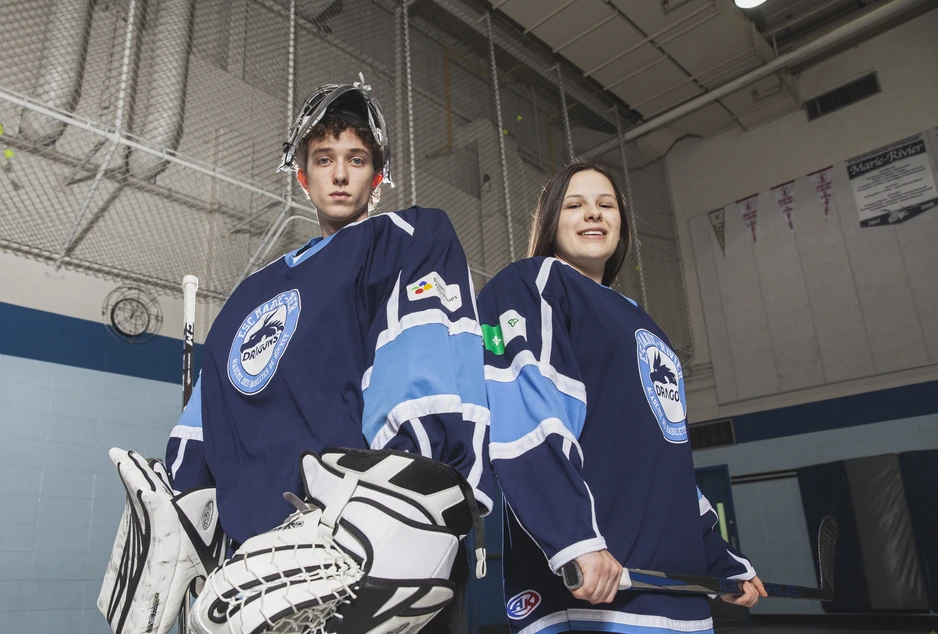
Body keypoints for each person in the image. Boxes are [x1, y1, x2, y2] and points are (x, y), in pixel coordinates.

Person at [165, 76, 491, 632]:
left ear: (378, 175)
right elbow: (204, 425)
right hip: (256, 577)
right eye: (323, 159)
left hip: (369, 560)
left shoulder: (405, 239)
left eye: (356, 159)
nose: (340, 174)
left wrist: (400, 510)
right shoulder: (248, 296)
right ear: (302, 174)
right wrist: (176, 506)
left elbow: (425, 373)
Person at [477, 161, 766, 634]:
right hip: (593, 595)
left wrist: (720, 560)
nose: (593, 214)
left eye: (606, 205)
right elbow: (527, 418)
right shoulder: (534, 283)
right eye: (575, 205)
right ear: (549, 222)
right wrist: (574, 539)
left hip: (680, 602)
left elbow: (667, 463)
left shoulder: (645, 323)